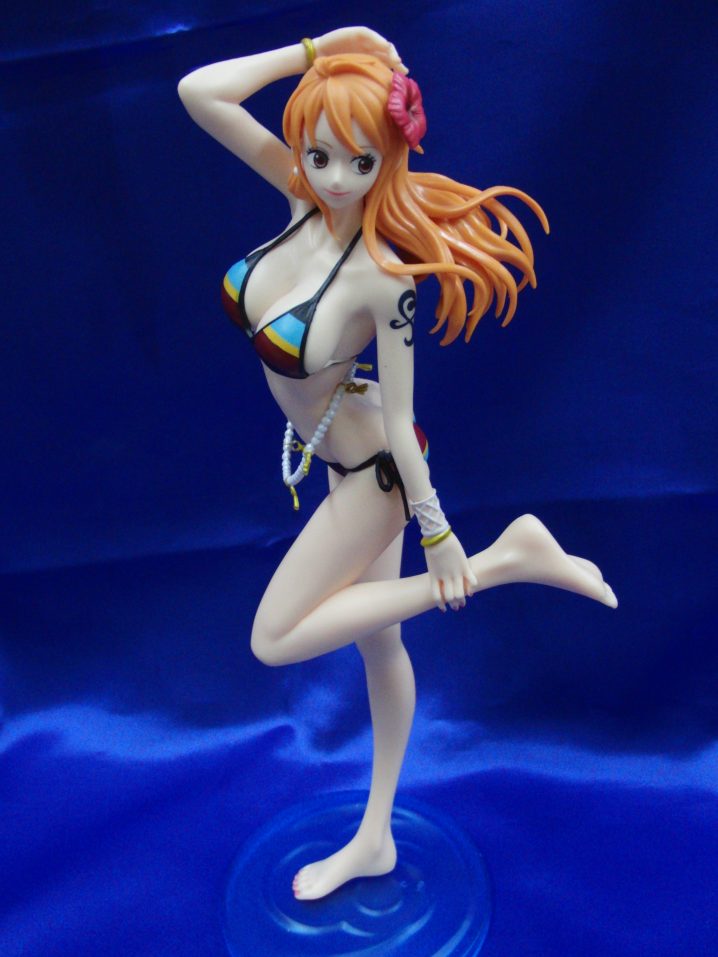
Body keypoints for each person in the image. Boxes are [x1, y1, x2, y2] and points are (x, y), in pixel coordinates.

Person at [178, 26, 617, 901]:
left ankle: (503, 562)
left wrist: (441, 534)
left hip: (380, 474)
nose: (337, 178)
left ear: (391, 159)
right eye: (321, 156)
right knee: (379, 643)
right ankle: (375, 836)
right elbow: (199, 92)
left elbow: (401, 414)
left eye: (361, 161)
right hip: (342, 461)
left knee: (274, 637)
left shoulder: (386, 280)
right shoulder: (298, 196)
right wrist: (319, 50)